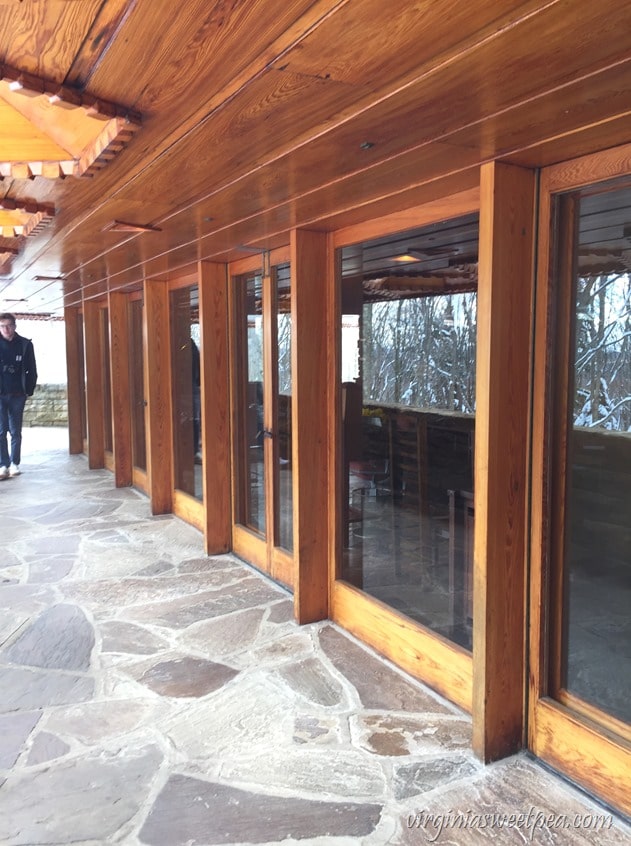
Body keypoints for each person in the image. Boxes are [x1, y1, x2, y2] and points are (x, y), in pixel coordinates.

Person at [0, 313, 37, 479]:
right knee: (1, 431)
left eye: (9, 325)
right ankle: (3, 464)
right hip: (0, 394)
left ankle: (15, 463)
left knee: (15, 431)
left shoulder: (25, 344)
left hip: (17, 394)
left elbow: (32, 369)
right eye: (2, 326)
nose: (6, 329)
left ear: (15, 326)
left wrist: (28, 390)